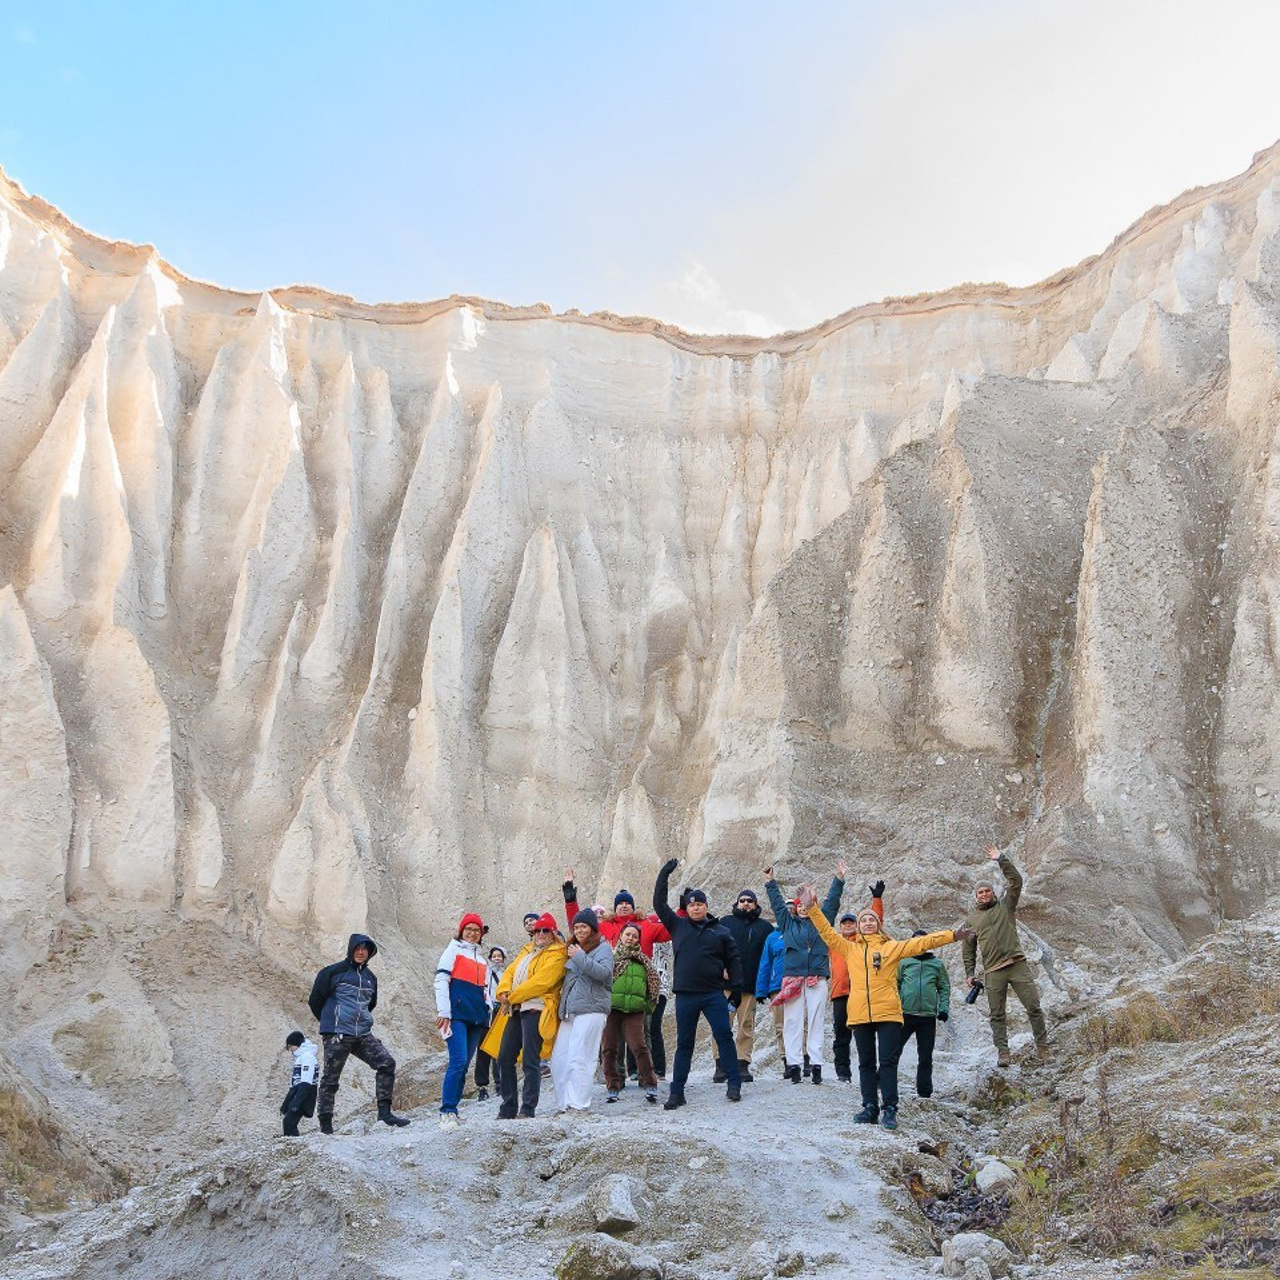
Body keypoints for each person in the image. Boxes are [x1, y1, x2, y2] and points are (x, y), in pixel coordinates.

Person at [799, 887, 974, 1130]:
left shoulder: (891, 948)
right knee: (865, 1063)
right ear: (858, 927)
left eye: (872, 919)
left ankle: (889, 1109)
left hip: (889, 1013)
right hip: (860, 1013)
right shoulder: (850, 948)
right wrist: (811, 908)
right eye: (864, 920)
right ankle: (869, 1106)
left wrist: (953, 935)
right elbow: (827, 932)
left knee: (888, 1062)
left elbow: (922, 942)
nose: (868, 923)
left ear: (879, 924)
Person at [653, 859, 744, 1108]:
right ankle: (677, 1092)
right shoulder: (677, 925)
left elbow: (734, 961)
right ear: (687, 908)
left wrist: (736, 990)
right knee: (684, 1043)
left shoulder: (721, 932)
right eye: (691, 904)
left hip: (713, 993)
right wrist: (664, 874)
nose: (695, 908)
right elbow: (659, 904)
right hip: (686, 996)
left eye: (699, 904)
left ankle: (734, 1084)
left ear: (706, 906)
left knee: (724, 1036)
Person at [308, 932, 410, 1131]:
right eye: (357, 948)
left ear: (370, 952)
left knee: (386, 1063)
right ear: (351, 949)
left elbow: (370, 1004)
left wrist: (359, 1021)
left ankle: (385, 1114)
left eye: (365, 949)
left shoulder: (371, 978)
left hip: (362, 1034)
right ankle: (326, 1125)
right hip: (337, 1033)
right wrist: (331, 1023)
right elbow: (315, 1001)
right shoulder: (332, 972)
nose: (361, 952)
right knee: (331, 1078)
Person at [963, 842, 1051, 1068]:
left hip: (1016, 964)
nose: (984, 894)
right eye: (980, 892)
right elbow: (968, 949)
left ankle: (1043, 1048)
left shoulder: (1005, 906)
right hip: (992, 972)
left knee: (1033, 1006)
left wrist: (1001, 859)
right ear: (976, 897)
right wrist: (969, 973)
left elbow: (1016, 882)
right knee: (997, 1015)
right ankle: (1003, 1053)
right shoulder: (972, 920)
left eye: (987, 891)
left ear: (993, 893)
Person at [764, 862, 848, 1084]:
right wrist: (771, 883)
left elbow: (833, 902)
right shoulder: (787, 923)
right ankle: (794, 1065)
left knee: (816, 1019)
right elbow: (777, 905)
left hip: (816, 977)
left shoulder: (823, 921)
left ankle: (816, 1063)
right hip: (792, 976)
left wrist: (838, 878)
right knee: (792, 1020)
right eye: (799, 905)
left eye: (806, 905)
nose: (802, 908)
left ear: (813, 906)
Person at [483, 913, 567, 1119]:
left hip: (536, 1009)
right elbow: (510, 972)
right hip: (516, 1009)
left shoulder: (558, 953)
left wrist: (511, 996)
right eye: (538, 930)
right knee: (504, 1057)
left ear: (553, 932)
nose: (540, 933)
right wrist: (502, 992)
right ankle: (508, 1106)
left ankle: (528, 1108)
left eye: (545, 930)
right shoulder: (527, 950)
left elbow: (541, 982)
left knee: (531, 1059)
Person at [549, 908, 614, 1112]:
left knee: (581, 1057)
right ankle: (563, 1104)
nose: (579, 930)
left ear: (592, 927)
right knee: (559, 1059)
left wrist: (579, 957)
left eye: (583, 926)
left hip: (592, 1009)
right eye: (576, 927)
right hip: (570, 1010)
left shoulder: (602, 948)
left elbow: (604, 974)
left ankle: (579, 1104)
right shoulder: (572, 949)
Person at [434, 913, 492, 1130]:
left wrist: (487, 1013)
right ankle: (446, 1111)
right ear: (461, 931)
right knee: (458, 1061)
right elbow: (441, 980)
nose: (472, 933)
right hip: (456, 1015)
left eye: (476, 930)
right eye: (468, 929)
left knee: (464, 1064)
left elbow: (486, 991)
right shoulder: (453, 951)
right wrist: (444, 1012)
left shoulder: (482, 959)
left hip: (475, 1017)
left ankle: (453, 1111)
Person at [718, 889, 774, 1083]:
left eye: (750, 901)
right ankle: (721, 1065)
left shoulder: (765, 928)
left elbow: (769, 956)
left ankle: (742, 1064)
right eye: (742, 900)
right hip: (726, 986)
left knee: (746, 1026)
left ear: (756, 904)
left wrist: (765, 984)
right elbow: (714, 949)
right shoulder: (724, 923)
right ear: (737, 903)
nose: (746, 903)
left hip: (749, 986)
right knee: (722, 1024)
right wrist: (720, 968)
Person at [603, 920, 660, 1103]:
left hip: (635, 1011)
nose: (631, 938)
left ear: (638, 940)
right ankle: (613, 1085)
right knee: (610, 1048)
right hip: (612, 1009)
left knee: (640, 1047)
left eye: (635, 936)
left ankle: (649, 1083)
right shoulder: (609, 958)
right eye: (627, 934)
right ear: (620, 936)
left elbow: (653, 986)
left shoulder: (643, 961)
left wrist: (647, 1007)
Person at [897, 930, 951, 1098]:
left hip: (927, 1016)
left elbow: (944, 987)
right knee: (893, 1050)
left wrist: (943, 1008)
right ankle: (881, 1081)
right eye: (916, 941)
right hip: (905, 1014)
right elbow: (895, 985)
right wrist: (895, 1007)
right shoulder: (904, 962)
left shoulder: (937, 964)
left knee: (926, 1056)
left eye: (923, 941)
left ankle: (925, 1092)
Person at [473, 945, 507, 1101]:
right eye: (494, 956)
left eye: (499, 956)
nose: (497, 958)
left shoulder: (507, 975)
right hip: (487, 1012)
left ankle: (500, 1083)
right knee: (483, 1048)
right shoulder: (485, 974)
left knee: (499, 1048)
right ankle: (482, 1086)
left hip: (501, 1012)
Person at [754, 926, 788, 1075]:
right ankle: (787, 1060)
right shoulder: (773, 937)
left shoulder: (802, 931)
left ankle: (804, 1059)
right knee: (780, 1025)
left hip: (801, 985)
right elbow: (765, 963)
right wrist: (761, 990)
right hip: (777, 986)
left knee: (803, 1023)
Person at [280, 1030, 318, 1136]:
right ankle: (293, 1143)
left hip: (305, 1095)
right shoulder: (300, 1058)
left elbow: (306, 1082)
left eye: (291, 1047)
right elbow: (294, 1084)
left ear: (297, 1044)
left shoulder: (307, 1057)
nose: (291, 1050)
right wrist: (286, 1103)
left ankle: (294, 1144)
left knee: (289, 1122)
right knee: (288, 1121)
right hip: (298, 1093)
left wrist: (297, 1102)